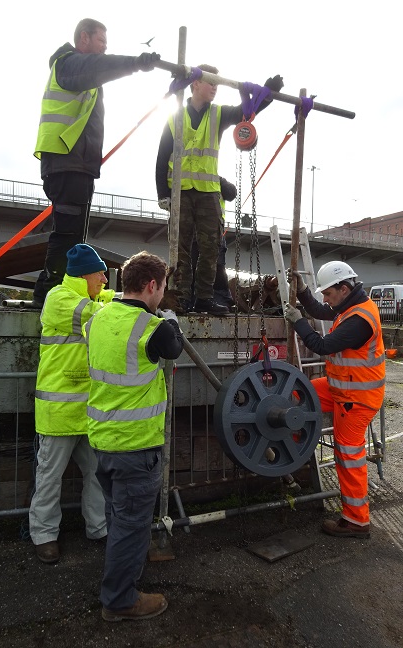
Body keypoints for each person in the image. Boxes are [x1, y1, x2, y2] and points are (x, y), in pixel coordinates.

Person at [31, 18, 160, 309]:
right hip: (66, 161)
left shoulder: (80, 73)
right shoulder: (68, 65)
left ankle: (60, 292)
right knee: (67, 233)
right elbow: (99, 68)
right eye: (101, 41)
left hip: (77, 164)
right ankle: (49, 294)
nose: (104, 48)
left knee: (74, 235)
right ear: (84, 38)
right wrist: (136, 63)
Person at [84, 251, 184, 622]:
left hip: (103, 440)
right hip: (136, 447)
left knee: (118, 515)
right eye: (162, 290)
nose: (162, 297)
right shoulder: (152, 327)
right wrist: (169, 320)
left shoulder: (97, 319)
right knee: (130, 524)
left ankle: (121, 575)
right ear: (152, 285)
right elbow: (173, 346)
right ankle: (120, 600)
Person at [155, 64, 283, 315]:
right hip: (180, 190)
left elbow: (246, 112)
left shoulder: (218, 114)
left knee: (210, 248)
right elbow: (161, 158)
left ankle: (204, 298)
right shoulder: (175, 117)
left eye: (217, 83)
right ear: (195, 85)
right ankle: (180, 298)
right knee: (180, 249)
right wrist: (162, 193)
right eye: (210, 82)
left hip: (208, 191)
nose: (215, 87)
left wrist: (268, 93)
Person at [284, 261, 385, 539]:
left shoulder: (359, 320)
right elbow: (319, 309)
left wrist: (298, 321)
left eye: (328, 293)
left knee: (348, 454)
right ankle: (289, 443)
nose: (325, 299)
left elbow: (321, 346)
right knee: (298, 391)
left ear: (343, 288)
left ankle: (356, 521)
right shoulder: (351, 305)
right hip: (343, 387)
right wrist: (304, 291)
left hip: (356, 398)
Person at [29, 243, 115, 563]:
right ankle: (44, 535)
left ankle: (98, 527)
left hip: (85, 412)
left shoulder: (90, 297)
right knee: (49, 477)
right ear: (84, 275)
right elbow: (100, 316)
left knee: (96, 473)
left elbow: (110, 301)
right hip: (59, 413)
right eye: (100, 274)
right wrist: (138, 305)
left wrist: (135, 298)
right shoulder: (60, 299)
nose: (105, 279)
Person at [190, 176, 237, 310]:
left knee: (215, 268)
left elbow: (231, 193)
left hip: (211, 232)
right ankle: (202, 300)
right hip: (200, 232)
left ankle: (218, 299)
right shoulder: (193, 180)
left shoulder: (213, 179)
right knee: (202, 267)